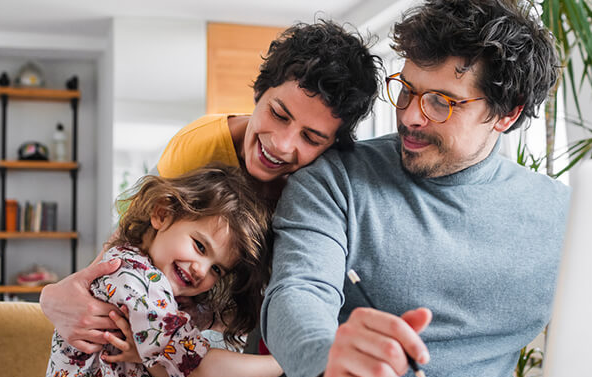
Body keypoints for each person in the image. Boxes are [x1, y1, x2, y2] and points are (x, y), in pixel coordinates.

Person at [260, 1, 569, 377]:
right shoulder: (336, 178)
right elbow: (297, 293)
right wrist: (327, 364)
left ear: (506, 114)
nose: (410, 115)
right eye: (406, 90)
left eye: (441, 102)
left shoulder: (565, 216)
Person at [39, 19, 381, 355]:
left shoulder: (323, 188)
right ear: (259, 93)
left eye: (310, 137)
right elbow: (125, 243)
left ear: (331, 145)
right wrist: (54, 296)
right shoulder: (198, 147)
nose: (281, 144)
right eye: (278, 114)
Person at [46, 165, 283, 377]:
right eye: (200, 246)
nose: (201, 270)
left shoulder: (145, 274)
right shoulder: (135, 282)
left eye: (216, 269)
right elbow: (200, 367)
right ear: (162, 213)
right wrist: (281, 363)